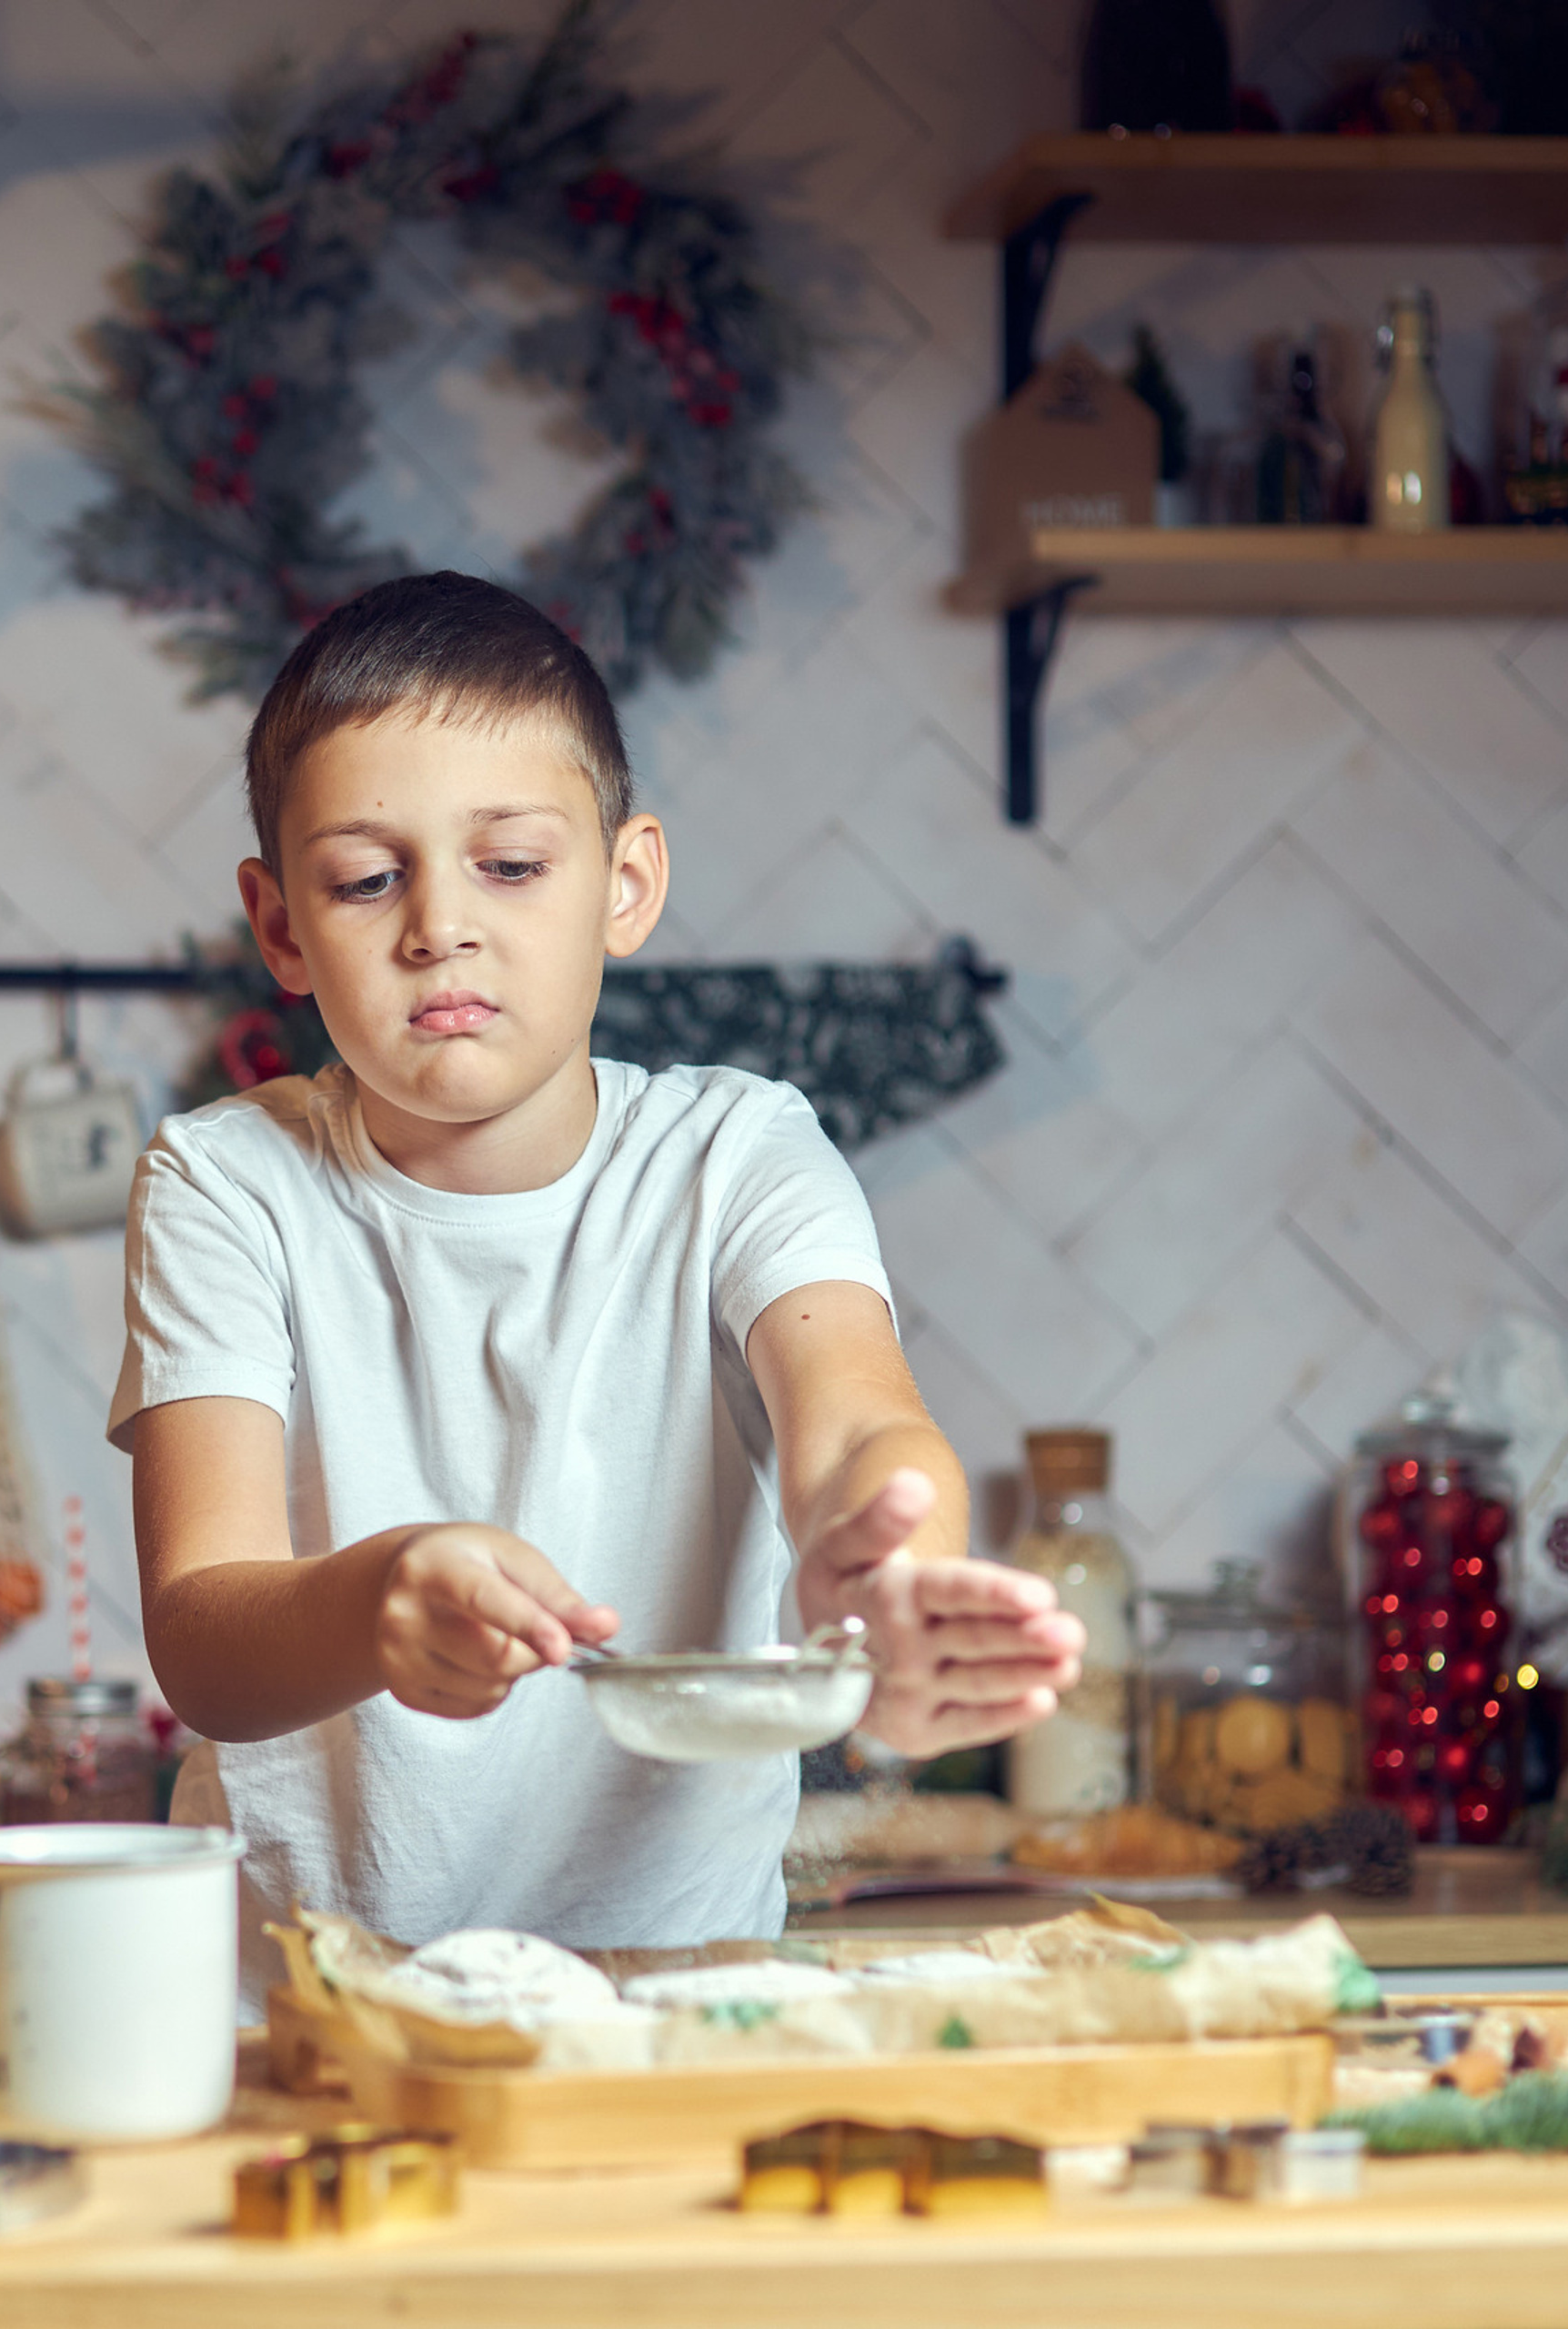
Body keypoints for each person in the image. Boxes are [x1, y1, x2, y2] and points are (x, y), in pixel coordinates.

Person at [111, 572, 1083, 2011]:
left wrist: (892, 1578)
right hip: (309, 2020)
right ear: (281, 929)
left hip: (680, 2005)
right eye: (368, 878)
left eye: (510, 864)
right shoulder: (223, 1182)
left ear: (624, 885)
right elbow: (204, 1638)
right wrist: (376, 1598)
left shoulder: (737, 1153)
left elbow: (861, 1435)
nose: (440, 927)